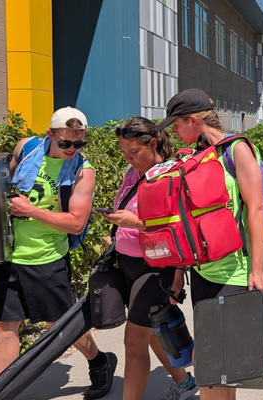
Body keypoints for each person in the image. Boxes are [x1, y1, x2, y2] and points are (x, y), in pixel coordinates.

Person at [0, 107, 116, 398]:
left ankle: (99, 360)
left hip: (47, 258)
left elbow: (75, 224)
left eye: (79, 143)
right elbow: (1, 190)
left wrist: (31, 211)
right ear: (50, 135)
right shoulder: (26, 149)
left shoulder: (83, 172)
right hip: (9, 255)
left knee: (59, 327)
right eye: (65, 143)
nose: (73, 149)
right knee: (5, 329)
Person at [156, 88, 263, 400]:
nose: (174, 132)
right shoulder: (196, 156)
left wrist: (257, 270)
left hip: (233, 275)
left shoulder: (237, 151)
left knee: (211, 371)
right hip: (203, 273)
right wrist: (179, 275)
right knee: (221, 370)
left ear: (193, 121)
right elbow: (187, 222)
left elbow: (255, 209)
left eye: (176, 125)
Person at [101, 117, 198, 400]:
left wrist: (179, 273)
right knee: (152, 332)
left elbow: (181, 226)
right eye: (124, 153)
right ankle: (184, 383)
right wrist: (117, 234)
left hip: (156, 268)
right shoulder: (131, 174)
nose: (129, 158)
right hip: (128, 264)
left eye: (134, 152)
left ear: (153, 143)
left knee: (133, 342)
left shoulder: (169, 174)